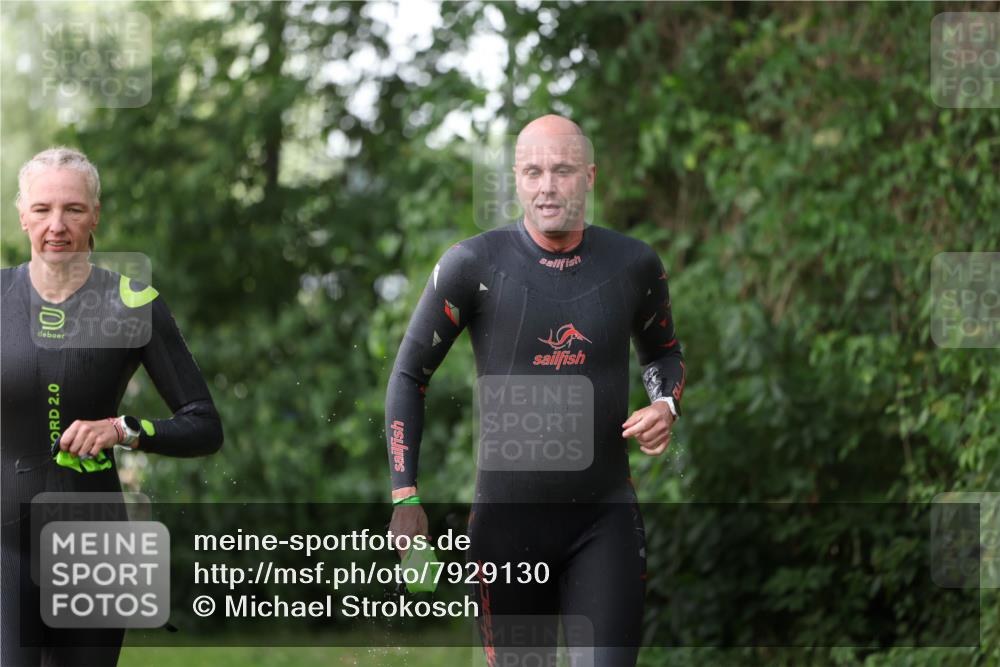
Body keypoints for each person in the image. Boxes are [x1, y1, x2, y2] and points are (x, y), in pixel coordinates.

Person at [385, 115, 685, 666]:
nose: (547, 186)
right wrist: (406, 496)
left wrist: (665, 403)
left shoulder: (633, 264)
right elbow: (409, 376)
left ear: (589, 176)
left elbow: (663, 353)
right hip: (506, 529)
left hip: (605, 521)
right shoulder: (472, 265)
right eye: (533, 171)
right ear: (517, 180)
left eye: (563, 170)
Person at [0, 147, 224, 666]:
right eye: (42, 209)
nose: (57, 225)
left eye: (73, 209)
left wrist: (123, 429)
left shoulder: (133, 304)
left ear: (95, 214)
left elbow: (204, 425)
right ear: (21, 214)